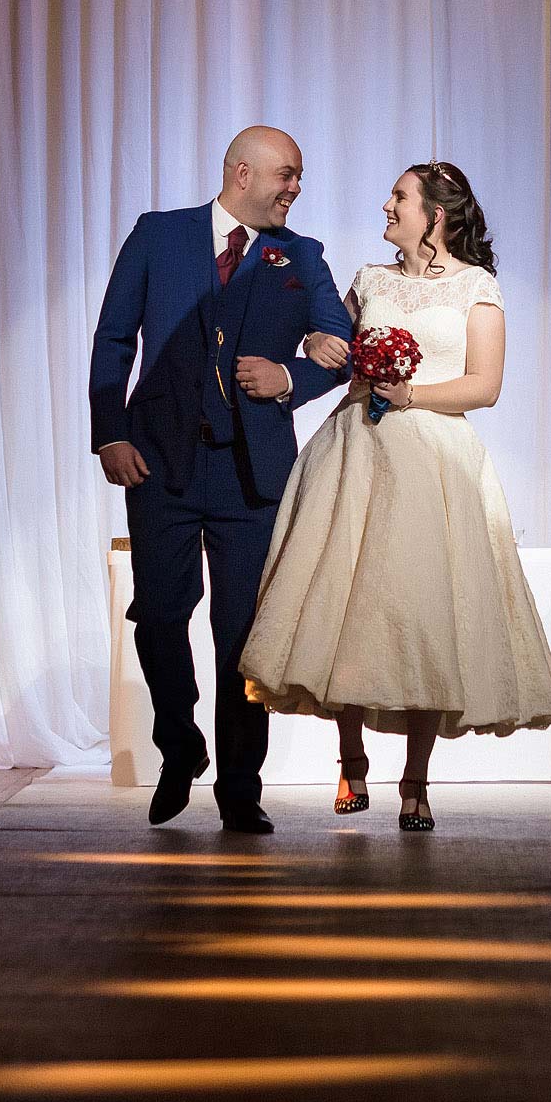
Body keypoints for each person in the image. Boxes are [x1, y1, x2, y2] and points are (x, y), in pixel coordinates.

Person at [239, 162, 551, 831]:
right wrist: (318, 347)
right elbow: (335, 358)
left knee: (423, 614)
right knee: (345, 604)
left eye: (398, 196)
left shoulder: (477, 287)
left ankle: (416, 782)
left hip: (434, 464)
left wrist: (413, 392)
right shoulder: (370, 280)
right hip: (357, 453)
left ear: (434, 214)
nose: (385, 204)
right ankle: (351, 760)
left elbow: (484, 385)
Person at [89, 126, 353, 833]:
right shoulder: (158, 235)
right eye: (287, 175)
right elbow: (114, 337)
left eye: (298, 178)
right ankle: (180, 746)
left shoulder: (303, 256)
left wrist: (291, 375)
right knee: (159, 616)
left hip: (252, 473)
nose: (295, 189)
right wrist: (110, 430)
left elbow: (340, 347)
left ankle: (241, 784)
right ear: (243, 172)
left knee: (244, 635)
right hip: (160, 462)